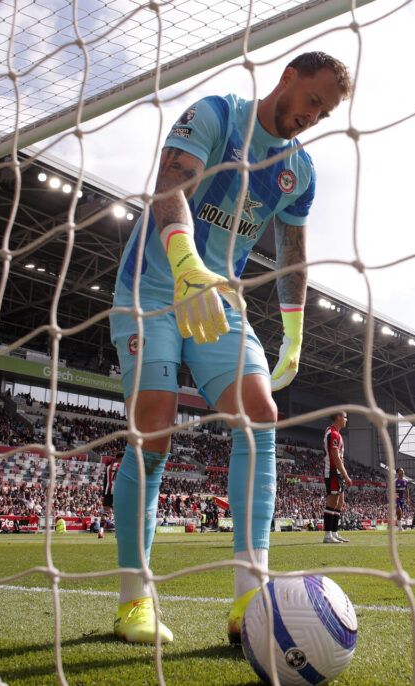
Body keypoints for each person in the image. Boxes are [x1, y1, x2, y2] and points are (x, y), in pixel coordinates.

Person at [106, 52, 351, 645]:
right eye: (313, 101)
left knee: (260, 415)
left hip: (221, 303)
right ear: (287, 78)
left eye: (326, 112)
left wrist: (294, 328)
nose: (314, 117)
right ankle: (134, 599)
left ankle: (250, 595)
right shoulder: (216, 114)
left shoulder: (301, 170)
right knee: (155, 429)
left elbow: (293, 250)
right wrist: (185, 260)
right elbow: (169, 184)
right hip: (155, 289)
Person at [322, 411, 353, 544]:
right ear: (338, 418)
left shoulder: (337, 434)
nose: (346, 420)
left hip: (338, 473)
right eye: (345, 417)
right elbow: (335, 457)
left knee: (340, 502)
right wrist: (346, 475)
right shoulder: (332, 433)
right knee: (332, 502)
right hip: (333, 472)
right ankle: (328, 534)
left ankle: (334, 532)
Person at [100, 453, 122, 539]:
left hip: (108, 491)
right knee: (119, 513)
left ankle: (101, 530)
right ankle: (117, 533)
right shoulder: (122, 466)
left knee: (105, 512)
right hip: (119, 492)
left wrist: (104, 495)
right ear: (121, 458)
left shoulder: (108, 467)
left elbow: (105, 481)